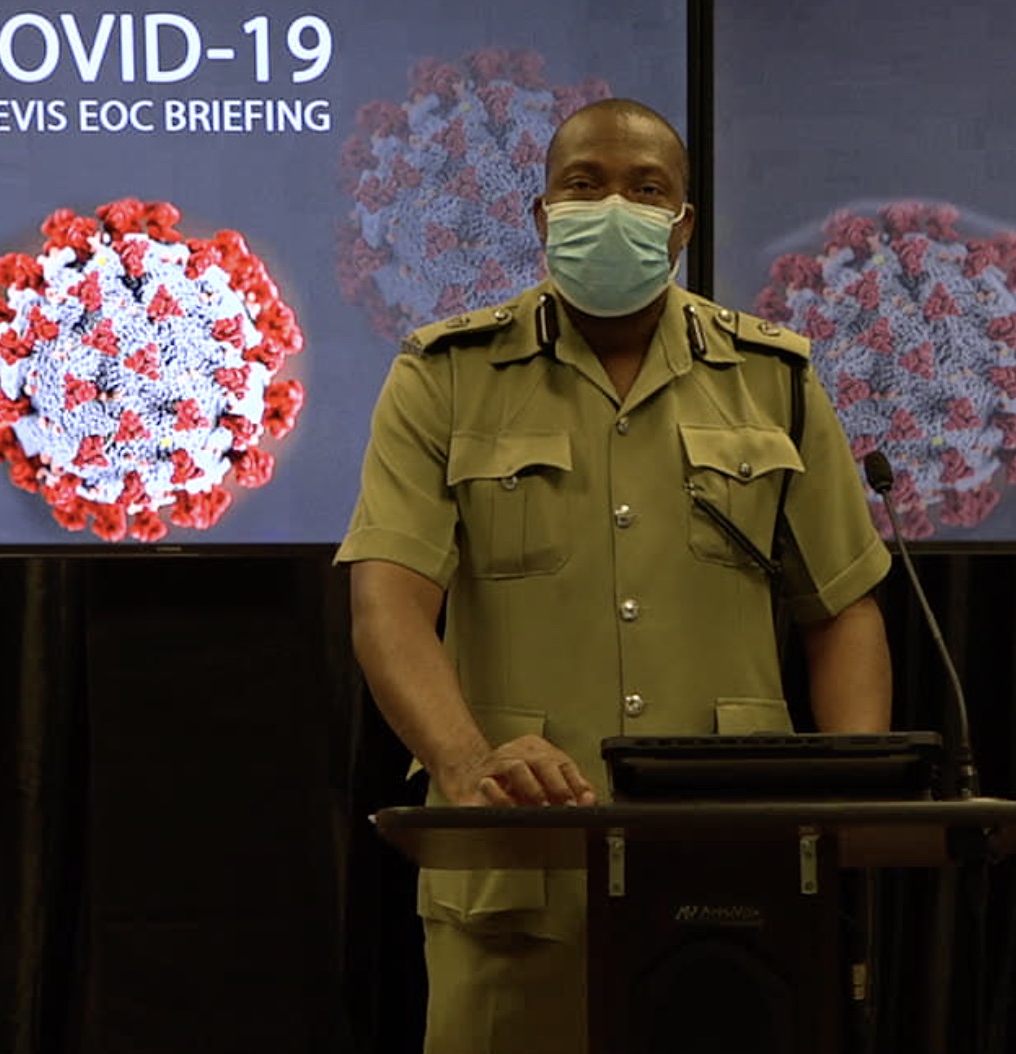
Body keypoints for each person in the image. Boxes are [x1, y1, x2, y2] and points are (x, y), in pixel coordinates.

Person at [336, 97, 893, 1054]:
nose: (614, 206)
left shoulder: (774, 378)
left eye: (647, 189)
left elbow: (841, 609)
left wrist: (844, 815)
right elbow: (388, 600)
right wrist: (469, 769)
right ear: (542, 215)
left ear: (682, 225)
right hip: (515, 871)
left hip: (736, 874)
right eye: (584, 184)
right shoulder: (445, 375)